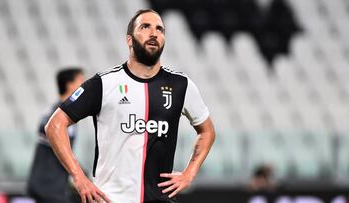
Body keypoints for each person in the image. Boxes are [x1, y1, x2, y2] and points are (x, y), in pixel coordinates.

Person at [45, 9, 215, 203]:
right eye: (145, 27)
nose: (154, 33)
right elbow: (55, 125)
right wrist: (78, 177)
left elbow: (207, 131)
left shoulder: (181, 85)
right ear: (129, 39)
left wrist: (189, 173)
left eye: (160, 29)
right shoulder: (104, 83)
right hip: (111, 199)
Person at [27, 68, 85, 203]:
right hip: (49, 185)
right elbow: (59, 147)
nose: (84, 86)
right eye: (81, 81)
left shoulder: (55, 111)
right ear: (70, 85)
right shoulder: (60, 116)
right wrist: (82, 175)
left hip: (47, 183)